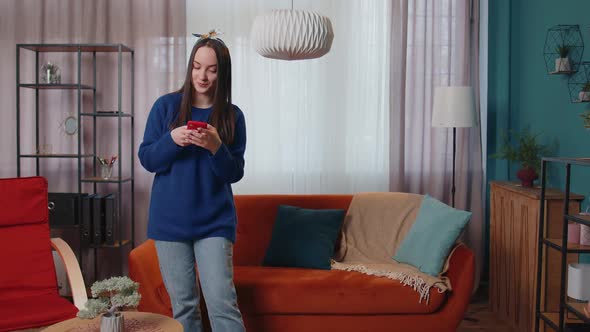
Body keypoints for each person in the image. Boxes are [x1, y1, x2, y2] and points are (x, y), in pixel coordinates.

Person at [138, 31, 246, 332]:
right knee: (184, 307)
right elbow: (148, 159)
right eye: (197, 66)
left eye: (212, 70)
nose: (203, 75)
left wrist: (215, 147)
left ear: (222, 74)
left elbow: (234, 172)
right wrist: (172, 140)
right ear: (190, 67)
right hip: (169, 223)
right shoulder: (165, 107)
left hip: (214, 222)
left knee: (222, 304)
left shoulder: (233, 116)